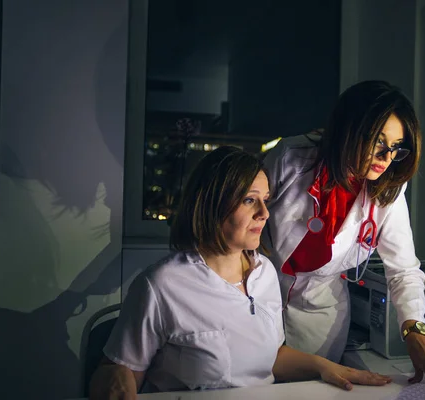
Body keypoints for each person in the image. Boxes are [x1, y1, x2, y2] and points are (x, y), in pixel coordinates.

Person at [89, 146, 392, 399]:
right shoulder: (163, 284)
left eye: (266, 200)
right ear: (211, 205)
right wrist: (117, 376)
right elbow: (120, 368)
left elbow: (271, 356)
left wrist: (324, 366)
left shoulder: (265, 274)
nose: (264, 212)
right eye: (250, 200)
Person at [261, 80, 425, 387]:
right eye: (378, 141)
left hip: (318, 315)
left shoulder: (388, 188)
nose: (387, 157)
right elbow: (241, 222)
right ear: (348, 129)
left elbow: (403, 270)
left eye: (397, 147)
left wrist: (414, 328)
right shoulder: (291, 158)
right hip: (256, 298)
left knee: (308, 392)